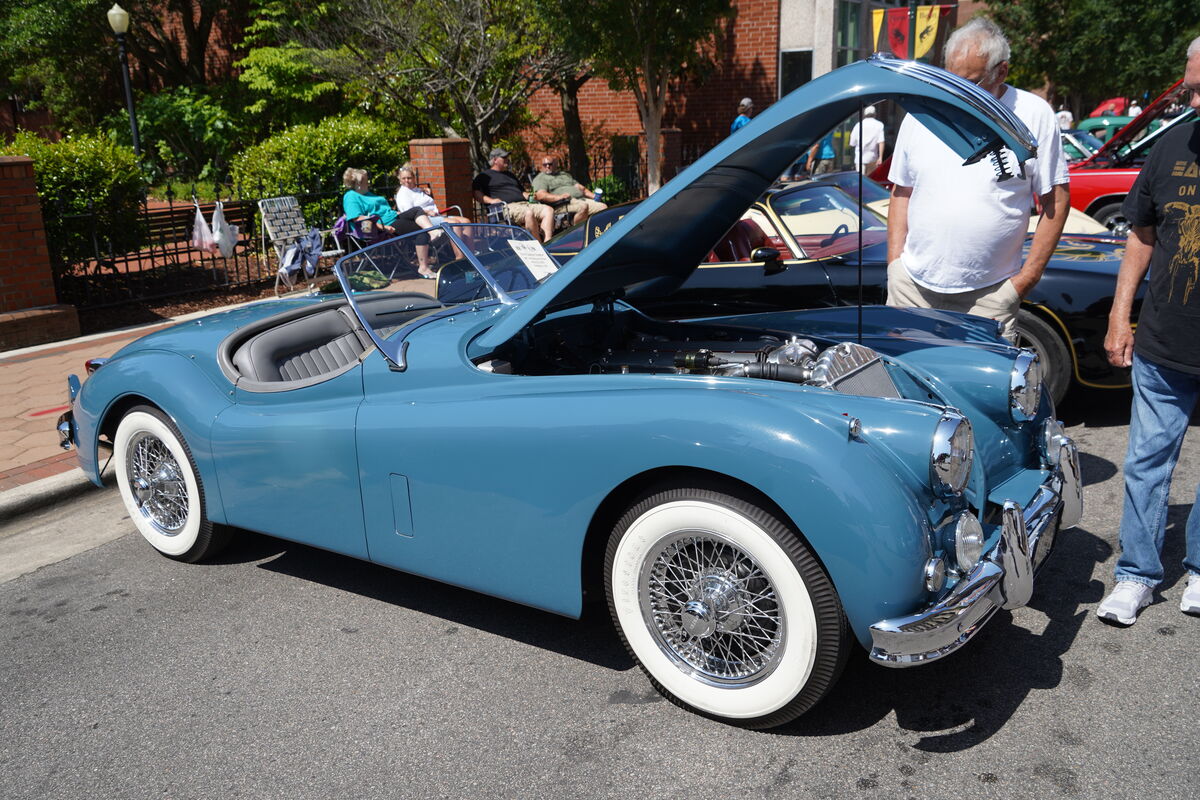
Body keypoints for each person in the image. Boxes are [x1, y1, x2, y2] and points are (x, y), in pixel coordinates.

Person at [1096, 37, 1200, 626]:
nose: (1192, 98)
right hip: (1163, 341)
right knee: (1146, 462)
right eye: (1190, 86)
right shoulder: (1171, 146)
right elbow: (1141, 235)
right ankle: (1136, 574)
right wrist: (1120, 315)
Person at [885, 17, 1070, 342]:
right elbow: (902, 191)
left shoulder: (1033, 114)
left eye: (970, 83)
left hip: (990, 296)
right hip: (911, 288)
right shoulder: (922, 113)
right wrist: (895, 265)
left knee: (981, 377)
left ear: (1001, 72)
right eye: (949, 79)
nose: (955, 93)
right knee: (903, 373)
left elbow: (1056, 198)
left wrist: (1023, 281)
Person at [342, 167, 439, 278]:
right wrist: (382, 227)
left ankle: (432, 233)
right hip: (384, 225)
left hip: (393, 217)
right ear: (359, 182)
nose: (368, 181)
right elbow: (358, 220)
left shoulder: (369, 194)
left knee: (416, 210)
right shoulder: (351, 196)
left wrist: (404, 213)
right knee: (420, 230)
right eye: (366, 179)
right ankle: (424, 267)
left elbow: (386, 211)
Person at [472, 148, 555, 242]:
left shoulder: (510, 175)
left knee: (548, 210)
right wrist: (491, 201)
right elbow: (476, 193)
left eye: (507, 157)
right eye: (504, 157)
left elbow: (521, 192)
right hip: (505, 207)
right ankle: (539, 244)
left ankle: (548, 242)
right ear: (495, 160)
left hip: (524, 204)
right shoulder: (484, 176)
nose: (507, 159)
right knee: (529, 213)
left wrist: (529, 196)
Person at [531, 156, 607, 225]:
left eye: (550, 164)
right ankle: (575, 231)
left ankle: (597, 231)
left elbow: (580, 188)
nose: (548, 166)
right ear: (542, 166)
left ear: (555, 164)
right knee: (583, 207)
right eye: (545, 165)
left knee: (603, 207)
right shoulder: (541, 178)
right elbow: (540, 195)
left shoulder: (563, 175)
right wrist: (559, 197)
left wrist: (594, 196)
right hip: (562, 203)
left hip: (581, 199)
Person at [394, 164, 471, 228]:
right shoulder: (403, 193)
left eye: (409, 178)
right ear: (400, 180)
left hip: (436, 215)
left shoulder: (417, 190)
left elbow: (415, 193)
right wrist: (428, 212)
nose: (406, 181)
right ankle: (455, 243)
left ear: (414, 178)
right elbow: (410, 212)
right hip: (424, 219)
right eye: (403, 178)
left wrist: (423, 189)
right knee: (454, 223)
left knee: (466, 222)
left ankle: (466, 243)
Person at [848, 105, 885, 175]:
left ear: (864, 114)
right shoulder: (879, 125)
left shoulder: (858, 125)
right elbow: (881, 142)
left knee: (861, 179)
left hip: (860, 158)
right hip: (873, 158)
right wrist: (880, 157)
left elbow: (852, 143)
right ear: (875, 114)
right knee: (871, 179)